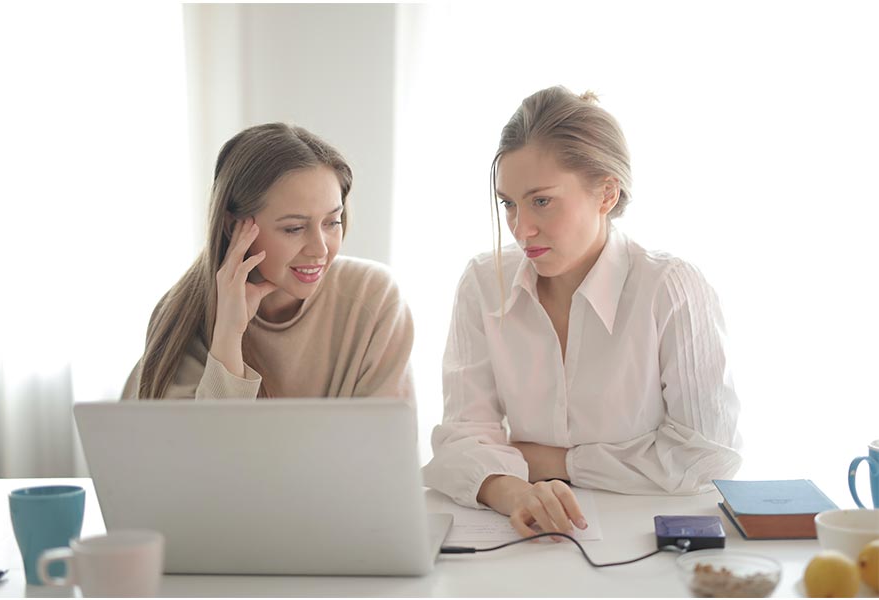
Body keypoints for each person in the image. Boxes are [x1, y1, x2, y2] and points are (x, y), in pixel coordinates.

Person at [422, 86, 742, 538]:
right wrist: (514, 491)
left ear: (607, 193)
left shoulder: (669, 288)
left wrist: (555, 462)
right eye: (509, 204)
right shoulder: (482, 282)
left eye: (542, 201)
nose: (520, 228)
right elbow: (459, 441)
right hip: (527, 535)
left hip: (651, 539)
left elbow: (707, 457)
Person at [122, 123, 414, 401]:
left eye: (332, 222)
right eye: (294, 228)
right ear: (232, 226)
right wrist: (228, 336)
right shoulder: (180, 317)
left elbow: (386, 444)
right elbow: (202, 450)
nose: (319, 249)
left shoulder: (374, 298)